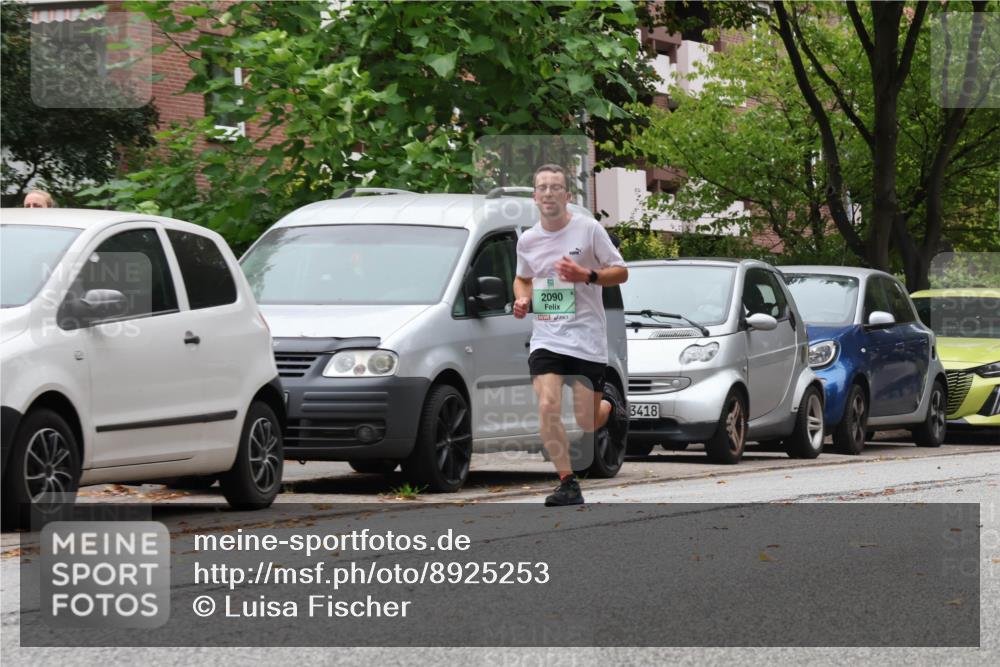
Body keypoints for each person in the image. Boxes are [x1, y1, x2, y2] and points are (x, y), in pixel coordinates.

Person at [513, 164, 628, 506]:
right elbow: (523, 278)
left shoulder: (588, 230)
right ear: (535, 197)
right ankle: (567, 482)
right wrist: (522, 298)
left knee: (587, 420)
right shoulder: (528, 240)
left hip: (586, 338)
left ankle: (612, 406)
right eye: (542, 187)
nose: (548, 193)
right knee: (547, 405)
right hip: (547, 336)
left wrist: (586, 275)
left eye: (555, 187)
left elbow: (621, 273)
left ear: (567, 196)